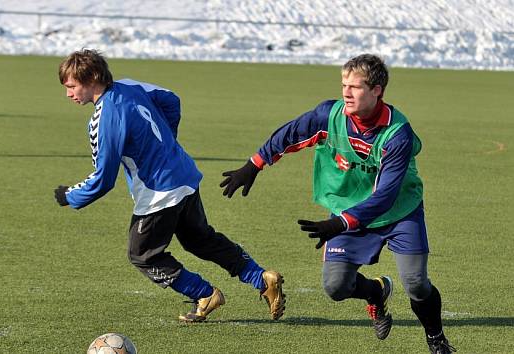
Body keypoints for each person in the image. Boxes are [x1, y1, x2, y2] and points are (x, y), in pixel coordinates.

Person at [220, 54, 455, 353]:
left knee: (416, 283)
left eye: (355, 87)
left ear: (377, 90)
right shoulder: (329, 116)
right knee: (336, 287)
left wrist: (340, 222)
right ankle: (376, 292)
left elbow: (385, 196)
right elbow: (290, 133)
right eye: (344, 84)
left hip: (399, 212)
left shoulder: (397, 134)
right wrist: (254, 164)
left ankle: (436, 338)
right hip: (347, 210)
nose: (346, 92)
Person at [53, 49, 286, 322]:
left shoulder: (103, 118)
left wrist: (70, 195)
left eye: (72, 86)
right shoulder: (129, 84)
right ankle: (261, 278)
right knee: (200, 240)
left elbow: (103, 179)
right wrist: (166, 142)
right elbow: (171, 99)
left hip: (158, 193)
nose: (69, 93)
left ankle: (204, 293)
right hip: (183, 173)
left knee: (142, 255)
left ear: (92, 77)